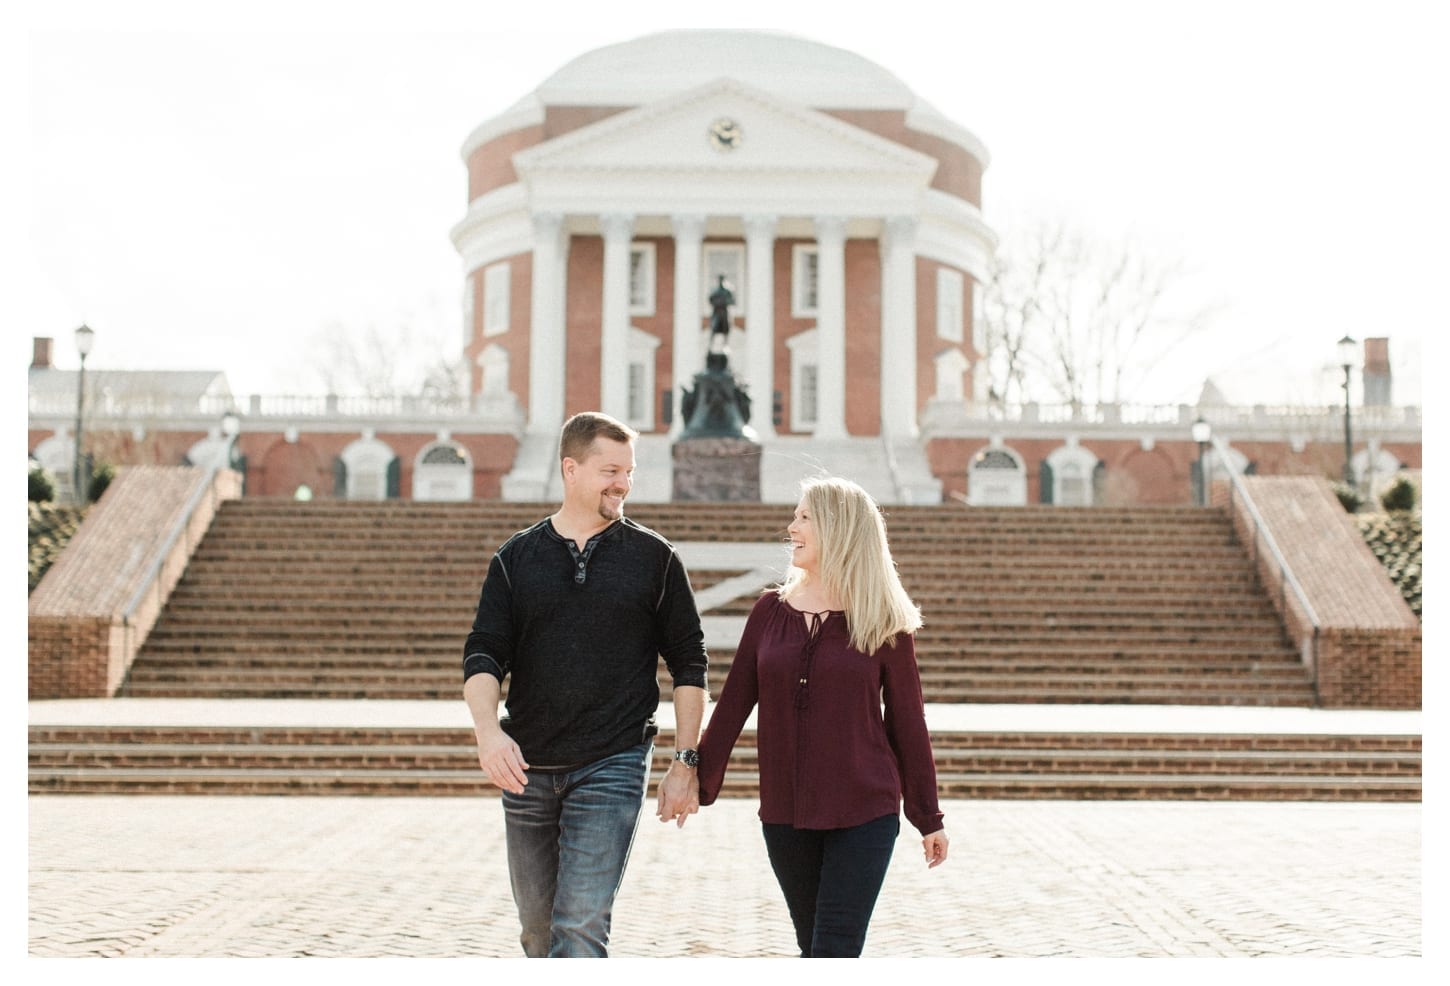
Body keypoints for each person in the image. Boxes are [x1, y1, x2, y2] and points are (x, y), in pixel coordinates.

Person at [462, 411, 709, 958]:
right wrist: (487, 732)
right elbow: (483, 653)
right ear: (570, 469)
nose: (623, 483)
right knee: (537, 933)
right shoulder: (515, 559)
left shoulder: (655, 559)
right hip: (526, 765)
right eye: (610, 470)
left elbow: (690, 665)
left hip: (612, 761)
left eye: (629, 471)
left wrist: (684, 761)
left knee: (579, 927)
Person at [694, 476, 949, 957]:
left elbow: (908, 725)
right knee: (811, 946)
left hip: (864, 811)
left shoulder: (884, 620)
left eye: (804, 516)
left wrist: (926, 815)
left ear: (839, 528)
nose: (791, 526)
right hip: (785, 814)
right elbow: (732, 705)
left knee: (834, 949)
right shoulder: (768, 612)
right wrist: (698, 780)